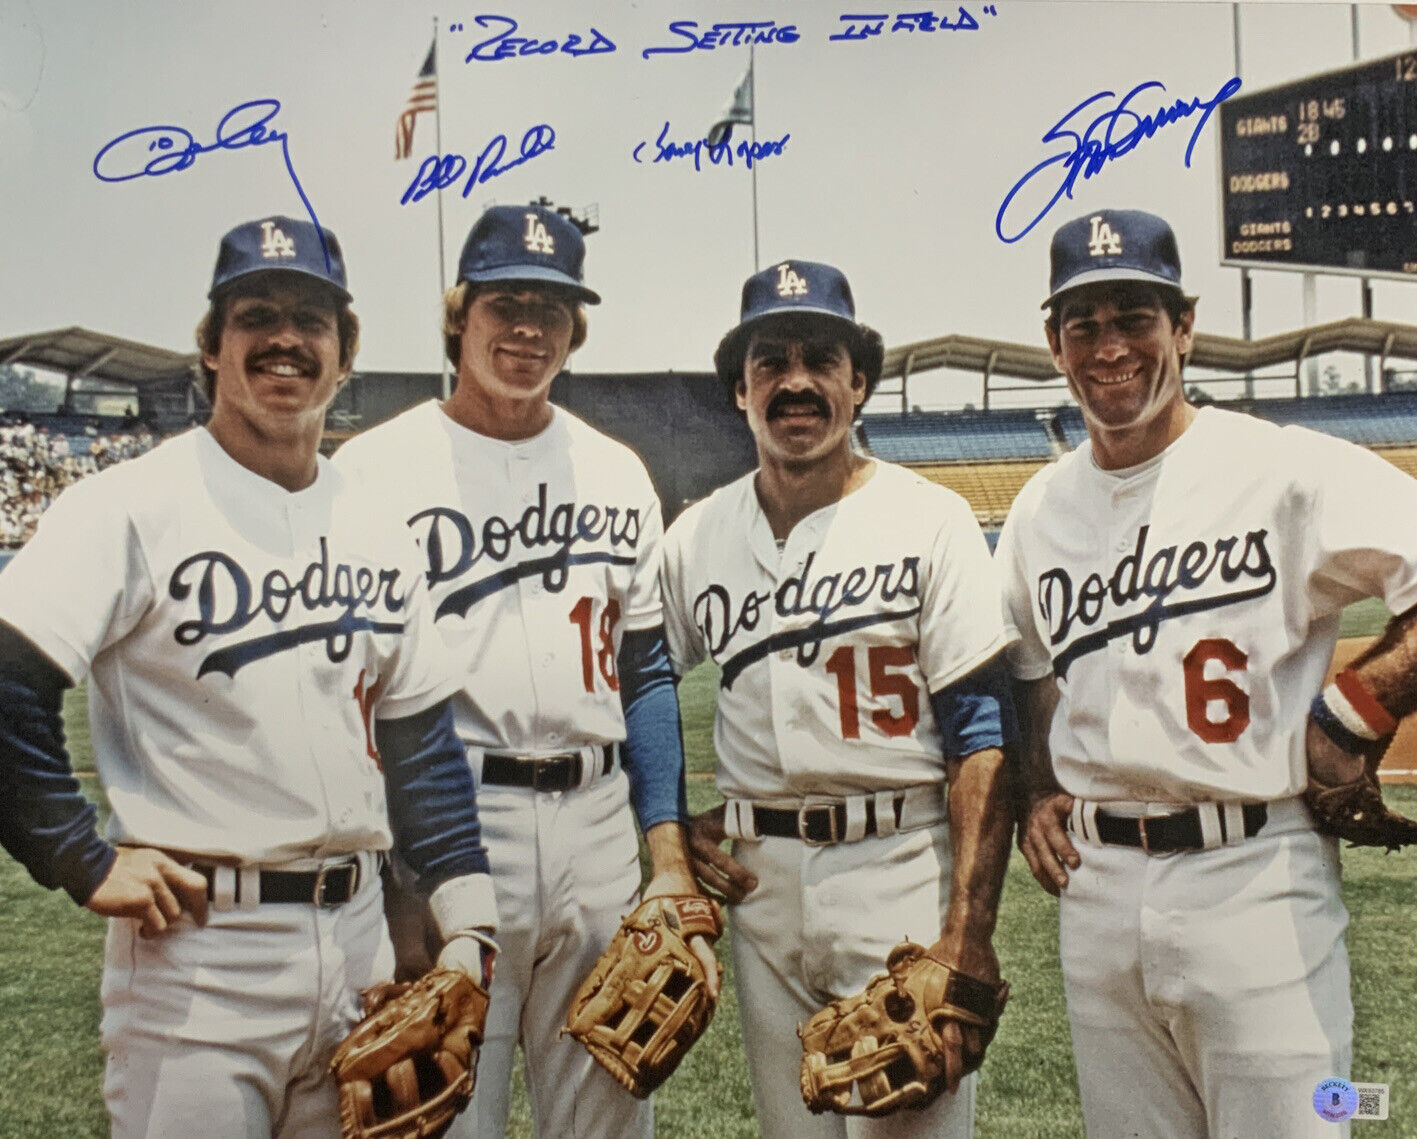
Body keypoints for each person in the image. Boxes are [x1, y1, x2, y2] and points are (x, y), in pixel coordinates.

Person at [0, 215, 498, 1139]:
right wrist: (79, 856)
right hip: (199, 957)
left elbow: (421, 747)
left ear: (344, 355)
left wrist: (465, 920)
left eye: (311, 320)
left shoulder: (379, 523)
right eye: (255, 314)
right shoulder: (127, 504)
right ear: (212, 348)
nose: (284, 338)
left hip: (358, 944)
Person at [999, 207, 1417, 1137]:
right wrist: (1034, 784)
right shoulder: (1037, 510)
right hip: (1099, 895)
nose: (1109, 346)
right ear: (1054, 344)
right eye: (1084, 324)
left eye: (1133, 318)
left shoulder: (1274, 467)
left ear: (1182, 326)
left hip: (1255, 874)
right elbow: (1025, 665)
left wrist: (1351, 714)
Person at [334, 201, 715, 1139]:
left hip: (594, 830)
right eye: (504, 301)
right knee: (451, 1111)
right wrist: (396, 879)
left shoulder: (617, 470)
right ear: (458, 315)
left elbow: (647, 672)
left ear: (575, 329)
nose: (527, 328)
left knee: (608, 1116)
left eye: (551, 308)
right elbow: (348, 692)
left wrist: (662, 855)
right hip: (454, 826)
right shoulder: (374, 470)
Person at [662, 260, 1016, 1138]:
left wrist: (966, 932)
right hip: (760, 883)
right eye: (769, 360)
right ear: (738, 389)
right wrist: (670, 824)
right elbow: (633, 683)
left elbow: (980, 732)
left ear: (858, 381)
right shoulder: (697, 535)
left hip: (897, 865)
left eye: (820, 357)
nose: (795, 381)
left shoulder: (928, 519)